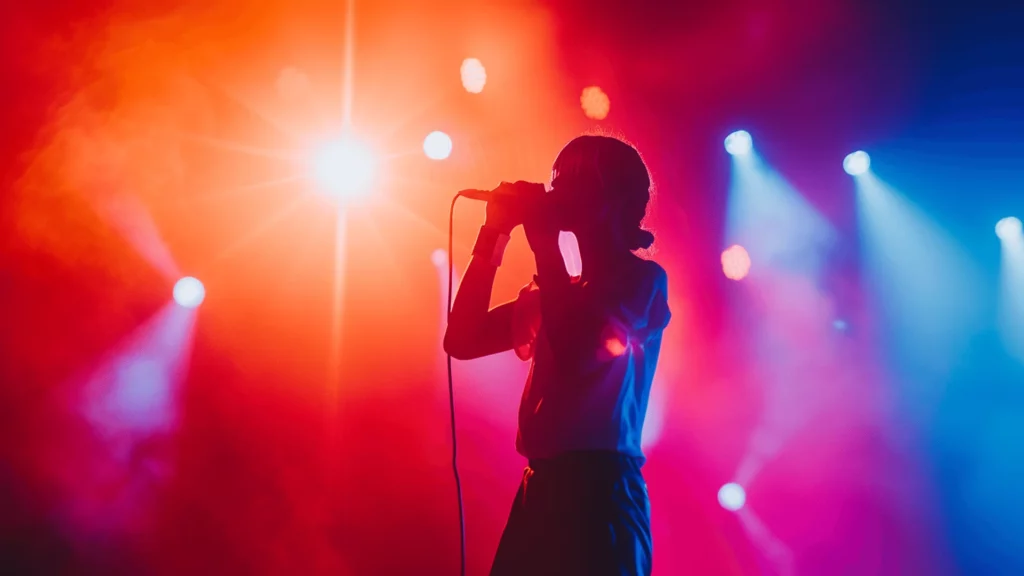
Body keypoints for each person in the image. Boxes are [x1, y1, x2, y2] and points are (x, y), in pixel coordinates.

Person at [443, 135, 671, 576]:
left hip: (600, 494)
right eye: (555, 180)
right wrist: (494, 233)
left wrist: (545, 246)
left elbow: (579, 353)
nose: (555, 193)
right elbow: (463, 339)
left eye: (571, 181)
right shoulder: (557, 292)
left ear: (611, 199)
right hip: (542, 490)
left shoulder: (642, 282)